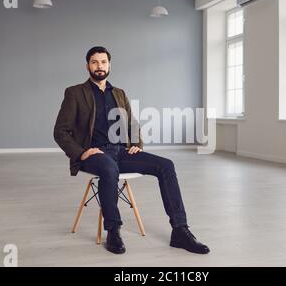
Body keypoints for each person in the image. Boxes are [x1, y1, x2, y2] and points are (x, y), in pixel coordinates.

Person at [54, 46, 209, 255]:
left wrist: (137, 144)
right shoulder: (75, 93)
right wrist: (81, 153)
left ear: (109, 65)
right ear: (87, 66)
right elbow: (60, 131)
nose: (99, 66)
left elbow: (132, 124)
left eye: (103, 62)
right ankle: (114, 230)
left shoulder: (119, 93)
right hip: (95, 154)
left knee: (166, 166)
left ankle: (180, 231)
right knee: (108, 168)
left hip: (122, 152)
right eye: (94, 62)